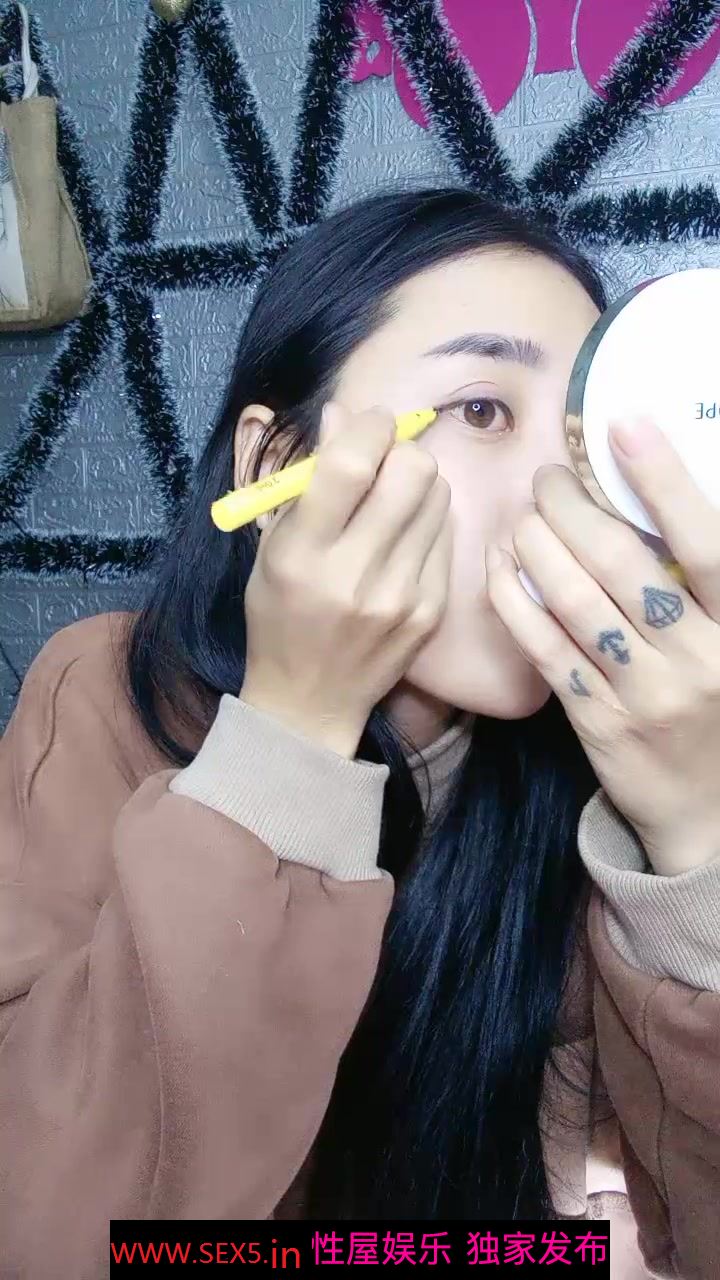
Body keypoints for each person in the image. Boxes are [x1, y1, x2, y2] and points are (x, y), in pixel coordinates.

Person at [1, 188, 718, 1280]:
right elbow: (55, 1240)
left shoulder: (609, 772)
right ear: (273, 464)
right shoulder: (105, 698)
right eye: (482, 410)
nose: (557, 498)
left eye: (578, 440)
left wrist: (696, 840)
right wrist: (293, 734)